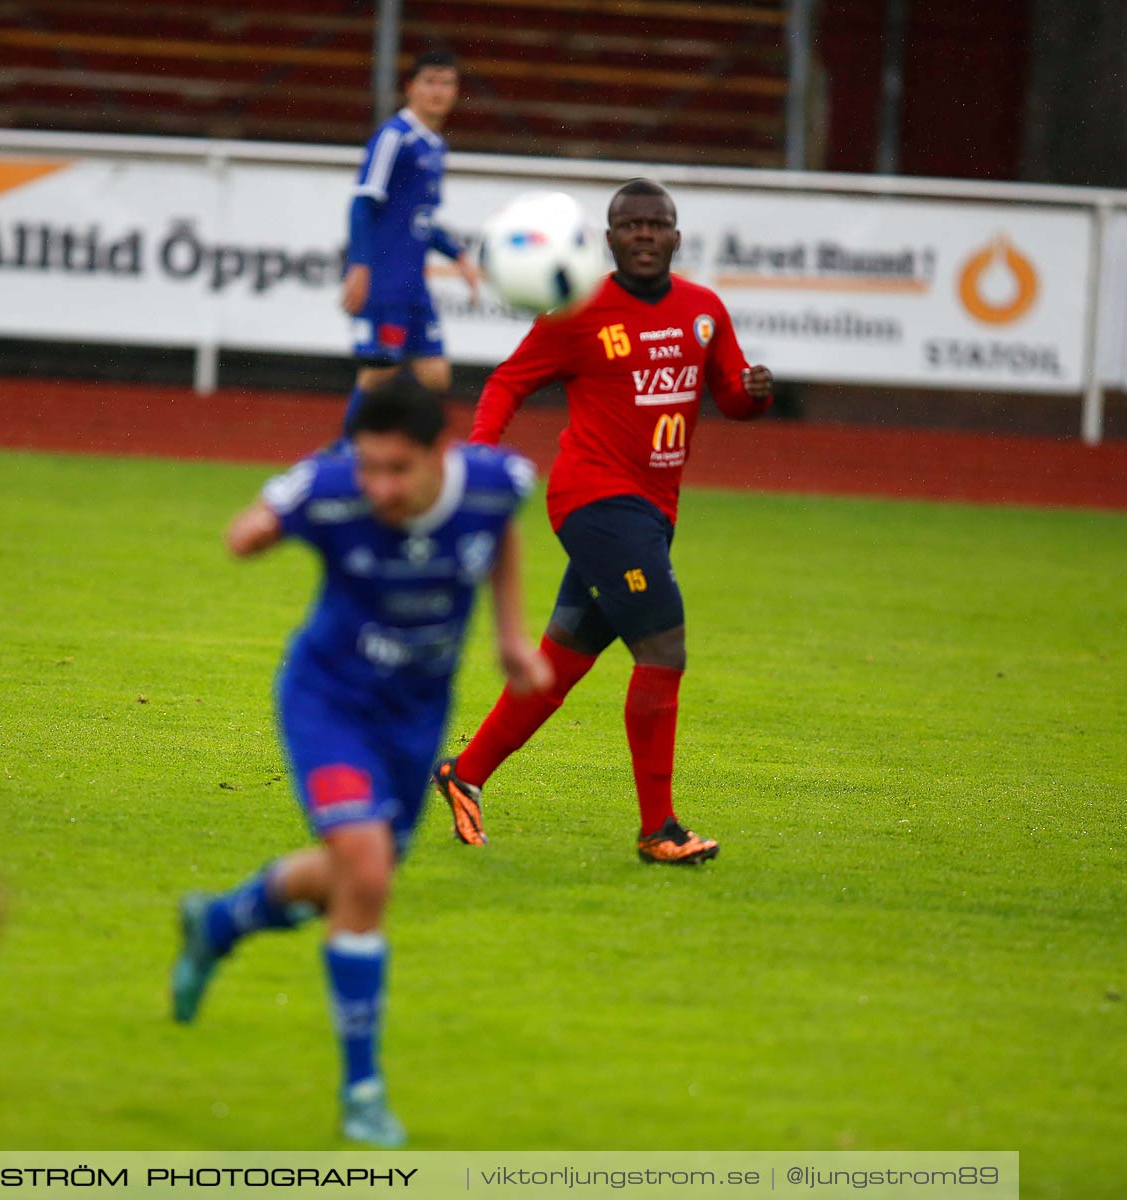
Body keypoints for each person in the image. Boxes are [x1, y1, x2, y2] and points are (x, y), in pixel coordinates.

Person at [171, 378, 549, 1147]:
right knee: (367, 869)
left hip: (415, 719)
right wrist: (255, 529)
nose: (378, 486)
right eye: (367, 466)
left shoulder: (494, 481)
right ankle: (362, 1092)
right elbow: (256, 521)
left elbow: (499, 531)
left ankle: (219, 921)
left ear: (439, 456)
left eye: (396, 470)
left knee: (353, 878)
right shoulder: (331, 487)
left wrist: (511, 635)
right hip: (330, 703)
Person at [432, 179, 775, 865]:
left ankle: (463, 774)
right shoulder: (579, 312)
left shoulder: (704, 311)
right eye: (631, 224)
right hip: (594, 501)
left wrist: (752, 393)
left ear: (677, 238)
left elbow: (732, 397)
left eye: (658, 224)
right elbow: (507, 382)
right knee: (664, 647)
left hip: (652, 510)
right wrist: (480, 451)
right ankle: (660, 831)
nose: (645, 234)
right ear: (608, 240)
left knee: (563, 660)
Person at [339, 49, 480, 432]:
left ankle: (402, 447)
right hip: (384, 280)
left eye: (446, 82)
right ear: (410, 88)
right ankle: (347, 452)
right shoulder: (394, 137)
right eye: (430, 81)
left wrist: (459, 255)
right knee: (379, 372)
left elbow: (420, 220)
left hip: (413, 283)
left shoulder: (434, 146)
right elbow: (362, 203)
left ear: (456, 91)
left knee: (436, 375)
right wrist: (360, 266)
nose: (438, 90)